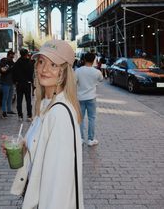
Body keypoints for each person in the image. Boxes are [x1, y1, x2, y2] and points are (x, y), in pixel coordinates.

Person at [10, 39, 84, 209]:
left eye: (54, 65)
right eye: (41, 62)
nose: (44, 69)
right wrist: (24, 148)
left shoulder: (59, 114)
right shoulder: (45, 105)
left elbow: (59, 182)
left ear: (64, 72)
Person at [75, 52, 103, 146]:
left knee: (81, 119)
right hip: (91, 97)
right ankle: (91, 139)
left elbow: (74, 82)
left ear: (84, 59)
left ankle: (81, 138)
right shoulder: (96, 71)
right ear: (94, 60)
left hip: (80, 97)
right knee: (92, 118)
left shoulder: (78, 71)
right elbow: (101, 79)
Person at [12, 48, 34, 121]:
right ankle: (29, 116)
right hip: (27, 83)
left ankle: (20, 116)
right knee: (28, 100)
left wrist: (15, 81)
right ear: (26, 54)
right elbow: (31, 72)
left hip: (19, 84)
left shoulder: (17, 63)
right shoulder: (29, 62)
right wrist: (31, 80)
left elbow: (13, 73)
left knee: (19, 101)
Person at [0, 50, 16, 118]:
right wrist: (9, 66)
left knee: (10, 97)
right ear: (9, 55)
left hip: (11, 82)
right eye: (12, 55)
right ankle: (4, 112)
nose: (13, 56)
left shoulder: (12, 62)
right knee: (5, 98)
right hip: (5, 82)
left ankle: (9, 110)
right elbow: (3, 70)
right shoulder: (4, 61)